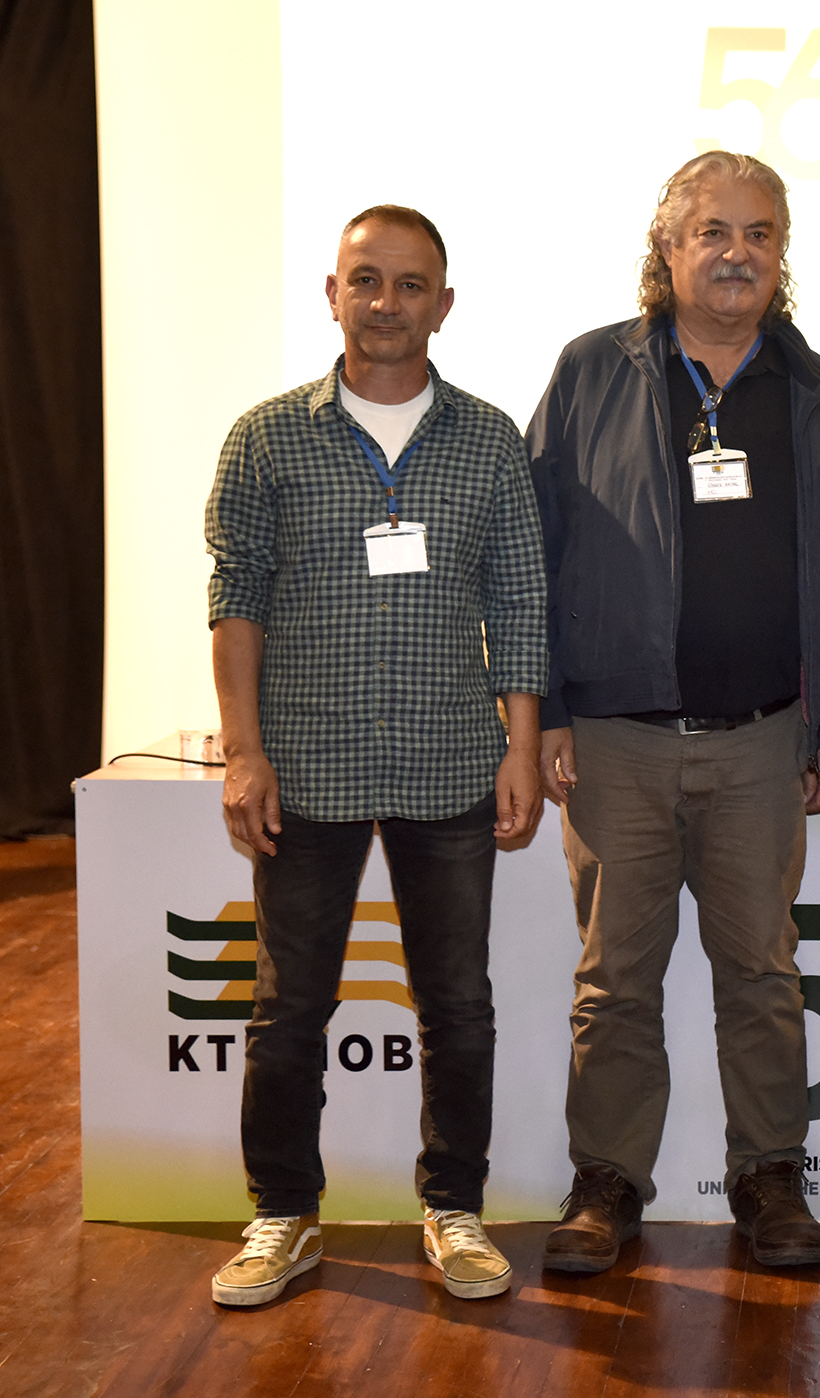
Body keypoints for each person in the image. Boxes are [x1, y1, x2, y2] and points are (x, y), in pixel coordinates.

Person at [527, 151, 820, 1275]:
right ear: (666, 249)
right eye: (712, 231)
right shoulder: (592, 372)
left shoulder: (816, 393)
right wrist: (546, 710)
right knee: (614, 982)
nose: (736, 252)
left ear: (782, 255)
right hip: (614, 740)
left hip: (764, 742)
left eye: (760, 233)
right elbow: (532, 553)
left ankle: (769, 1177)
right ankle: (606, 1182)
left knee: (762, 976)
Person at [204, 206, 546, 1306]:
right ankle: (283, 1215)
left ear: (443, 304)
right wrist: (244, 753)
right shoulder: (267, 438)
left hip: (452, 762)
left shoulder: (489, 439)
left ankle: (453, 1210)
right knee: (288, 1007)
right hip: (304, 768)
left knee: (458, 1006)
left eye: (408, 284)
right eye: (365, 280)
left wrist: (522, 747)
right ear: (332, 294)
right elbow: (236, 599)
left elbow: (520, 602)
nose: (385, 302)